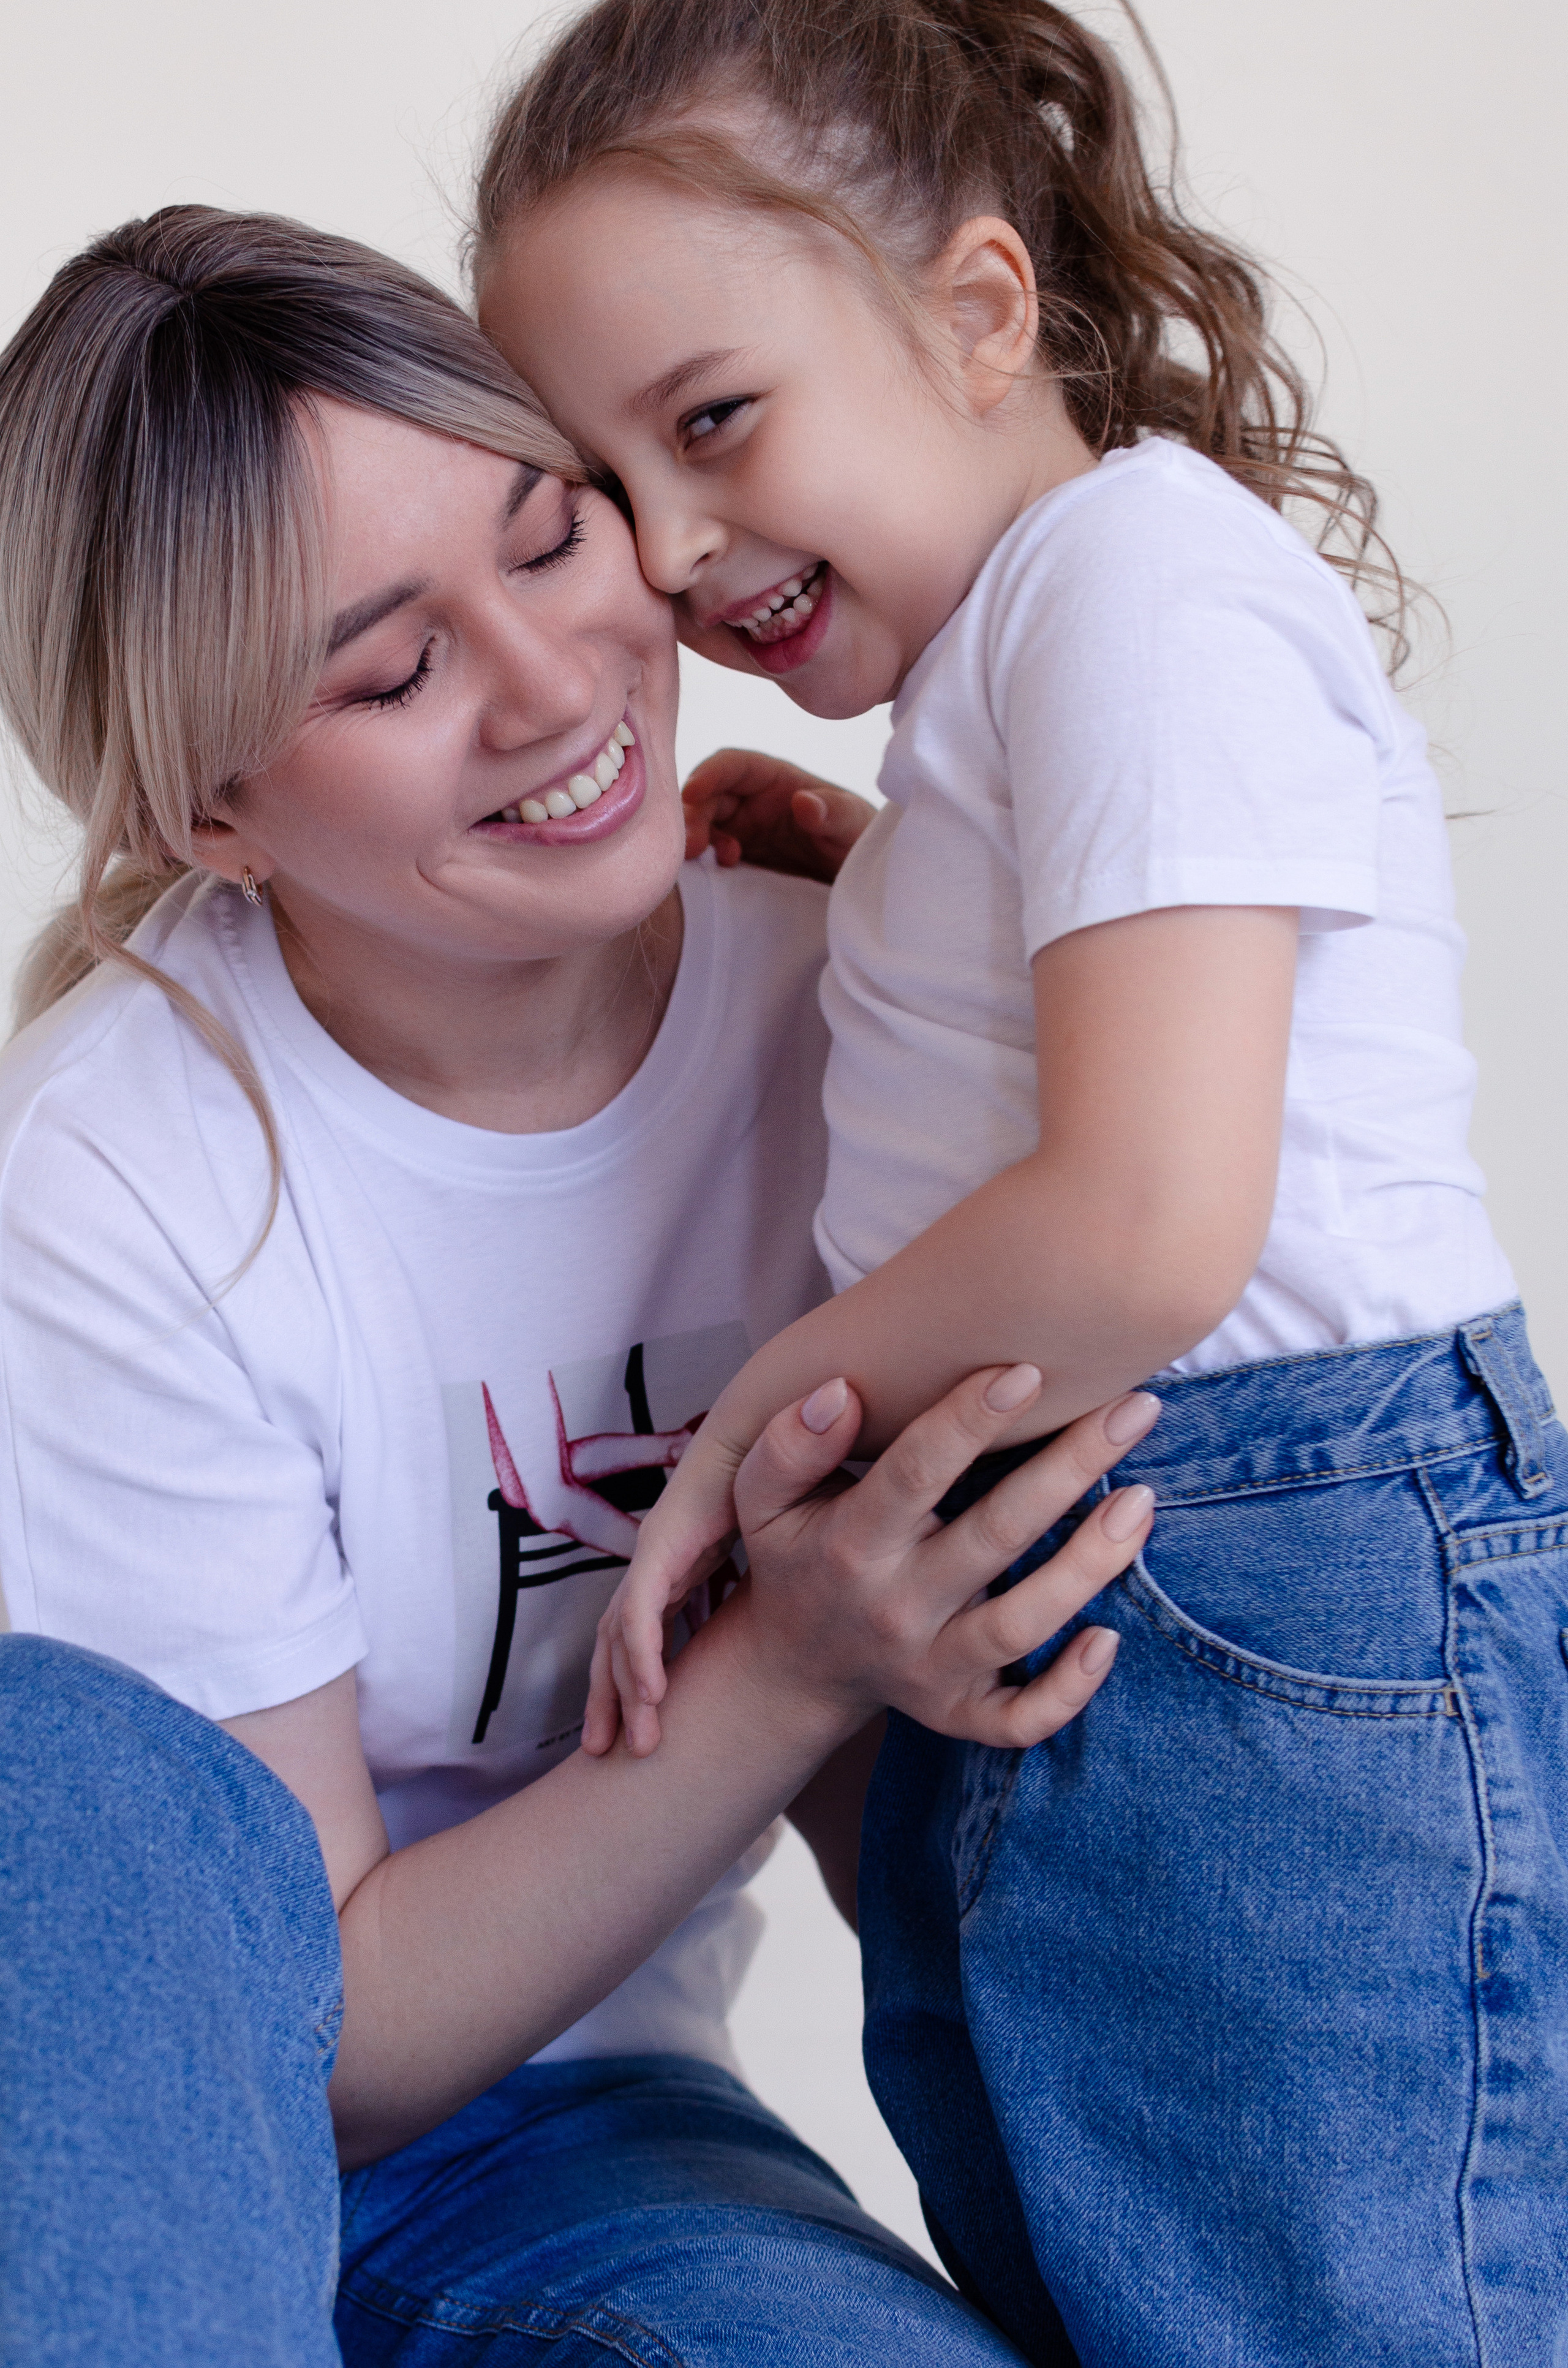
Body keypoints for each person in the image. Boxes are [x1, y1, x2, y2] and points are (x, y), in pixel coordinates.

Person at [470, 3, 1568, 2361]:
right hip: (1123, 1574)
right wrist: (893, 889)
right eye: (606, 482)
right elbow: (1138, 1010)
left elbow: (1156, 1216)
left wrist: (755, 1433)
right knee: (1130, 2288)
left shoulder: (1137, 585)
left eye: (715, 423)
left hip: (1276, 1566)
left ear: (978, 311)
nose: (670, 553)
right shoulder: (1035, 650)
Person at [0, 205, 1151, 2367]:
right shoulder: (116, 1179)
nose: (550, 685)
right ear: (205, 807)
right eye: (392, 665)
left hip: (597, 2150)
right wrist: (789, 1665)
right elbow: (307, 2055)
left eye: (548, 540)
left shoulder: (855, 1000)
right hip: (167, 2153)